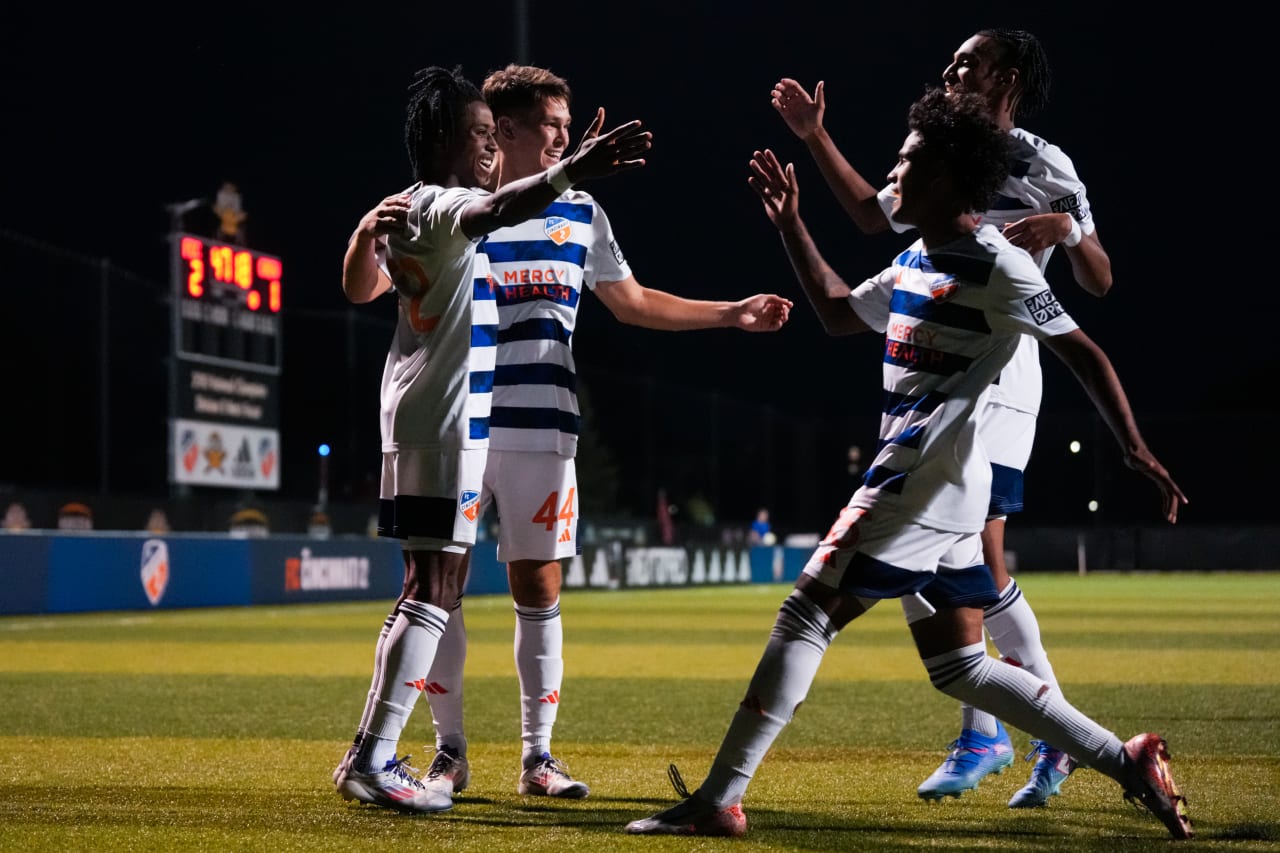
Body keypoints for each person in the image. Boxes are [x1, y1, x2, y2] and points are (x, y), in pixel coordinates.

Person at [624, 89, 1192, 841]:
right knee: (960, 666)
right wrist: (792, 225)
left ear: (953, 178)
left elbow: (1083, 349)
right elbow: (833, 310)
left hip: (924, 477)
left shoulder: (1001, 267)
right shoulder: (916, 261)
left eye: (909, 161)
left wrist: (1134, 447)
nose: (894, 173)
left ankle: (720, 797)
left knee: (806, 612)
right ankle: (1128, 759)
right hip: (944, 489)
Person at [410, 63, 794, 805]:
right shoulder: (462, 208)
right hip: (459, 421)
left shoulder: (581, 212)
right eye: (552, 124)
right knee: (441, 586)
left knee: (540, 587)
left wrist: (731, 313)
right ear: (508, 128)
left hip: (545, 425)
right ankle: (447, 752)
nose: (563, 135)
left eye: (566, 125)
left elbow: (634, 301)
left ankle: (537, 758)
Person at [770, 28, 1112, 806]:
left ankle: (1014, 732)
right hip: (937, 364)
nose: (952, 70)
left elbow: (1098, 280)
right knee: (949, 553)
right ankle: (1014, 732)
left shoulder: (1044, 165)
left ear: (1010, 77)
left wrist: (1069, 229)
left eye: (969, 62)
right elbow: (868, 215)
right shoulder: (940, 151)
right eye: (951, 62)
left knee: (970, 544)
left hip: (1005, 373)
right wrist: (816, 137)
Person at [331, 64, 651, 814]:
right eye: (478, 134)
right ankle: (373, 757)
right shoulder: (446, 206)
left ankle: (382, 754)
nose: (487, 148)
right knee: (434, 591)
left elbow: (361, 283)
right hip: (444, 426)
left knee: (432, 588)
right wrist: (574, 168)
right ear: (450, 140)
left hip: (425, 420)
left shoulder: (407, 206)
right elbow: (501, 204)